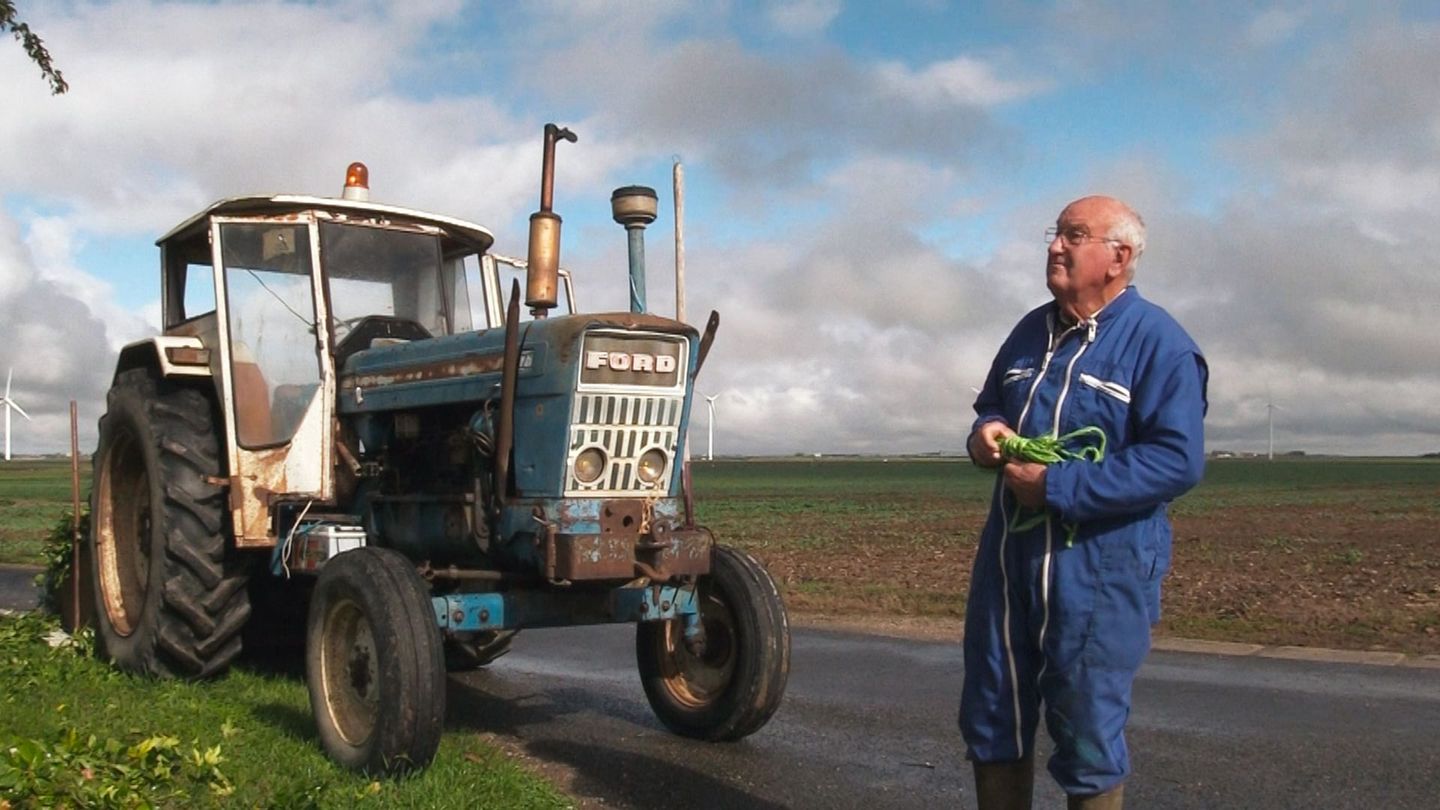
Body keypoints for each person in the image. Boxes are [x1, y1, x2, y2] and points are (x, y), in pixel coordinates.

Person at [959, 196, 1208, 810]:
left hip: (1101, 570)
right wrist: (987, 433)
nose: (1055, 247)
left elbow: (1177, 460)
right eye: (1055, 234)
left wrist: (1058, 487)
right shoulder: (1027, 331)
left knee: (1087, 735)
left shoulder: (1161, 345)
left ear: (1118, 256)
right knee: (993, 714)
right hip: (1008, 562)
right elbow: (990, 404)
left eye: (1073, 235)